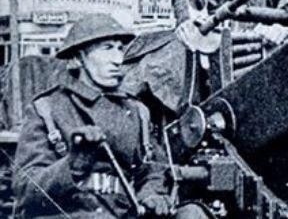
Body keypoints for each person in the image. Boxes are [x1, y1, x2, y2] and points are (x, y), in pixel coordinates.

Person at [13, 14, 172, 217]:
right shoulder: (47, 109)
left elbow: (152, 169)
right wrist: (73, 164)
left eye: (120, 49)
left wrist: (152, 194)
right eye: (107, 48)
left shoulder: (137, 111)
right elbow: (26, 189)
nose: (118, 60)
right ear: (79, 58)